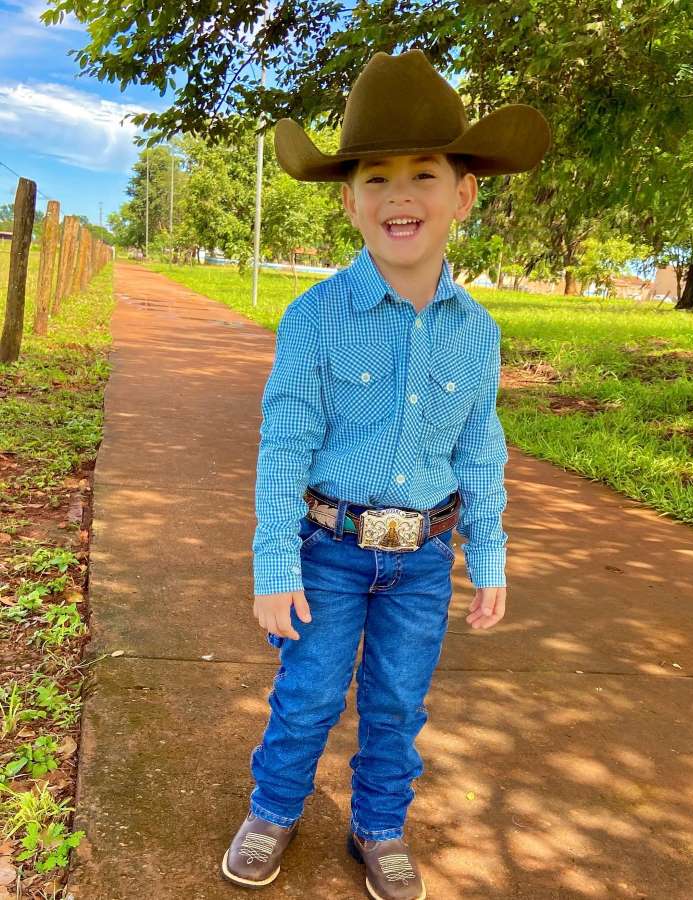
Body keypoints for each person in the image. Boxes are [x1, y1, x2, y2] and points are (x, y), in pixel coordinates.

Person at [221, 48, 551, 900]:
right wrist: (273, 563)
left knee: (399, 705)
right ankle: (275, 807)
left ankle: (378, 825)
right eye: (375, 177)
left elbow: (480, 448)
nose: (399, 196)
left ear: (463, 193)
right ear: (349, 199)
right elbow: (284, 444)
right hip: (328, 548)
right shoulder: (313, 317)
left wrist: (492, 552)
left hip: (420, 562)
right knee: (309, 695)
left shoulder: (476, 332)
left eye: (423, 174)